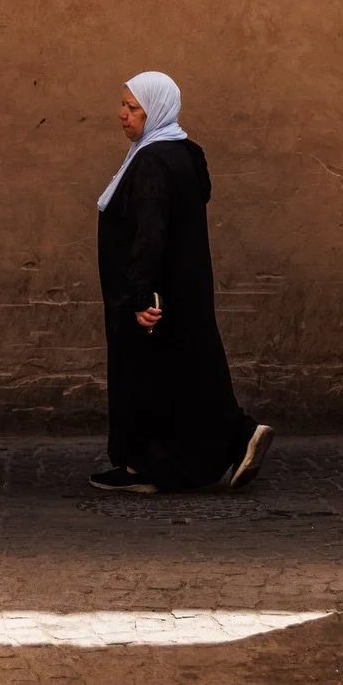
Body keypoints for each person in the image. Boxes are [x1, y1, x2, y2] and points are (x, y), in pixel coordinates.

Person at [90, 71, 273, 494]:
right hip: (184, 289)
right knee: (187, 373)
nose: (122, 114)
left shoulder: (153, 161)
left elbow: (149, 232)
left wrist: (139, 294)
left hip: (154, 296)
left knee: (147, 378)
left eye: (133, 108)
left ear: (156, 110)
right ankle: (223, 440)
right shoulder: (185, 151)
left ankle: (149, 465)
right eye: (123, 105)